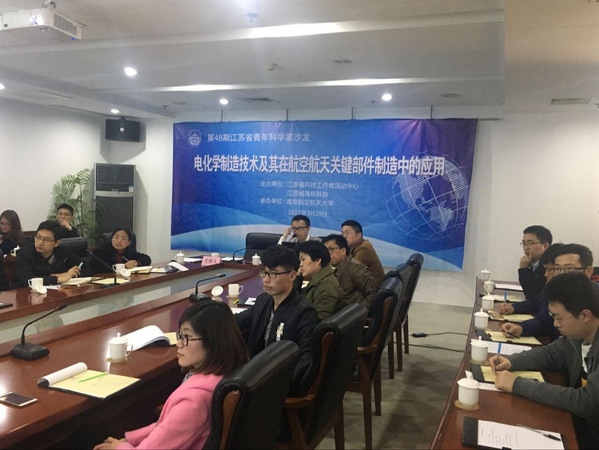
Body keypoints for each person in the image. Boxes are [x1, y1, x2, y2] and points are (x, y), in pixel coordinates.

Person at [93, 301, 248, 450]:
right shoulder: (223, 372)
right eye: (180, 335)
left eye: (187, 337)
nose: (179, 343)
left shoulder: (194, 401)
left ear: (213, 342)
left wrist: (119, 447)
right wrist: (130, 439)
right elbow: (167, 427)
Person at [491, 272, 599, 448]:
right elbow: (550, 354)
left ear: (585, 315)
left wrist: (517, 384)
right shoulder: (578, 335)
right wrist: (512, 361)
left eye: (559, 318)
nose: (555, 324)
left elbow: (587, 402)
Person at [235, 245, 318, 395]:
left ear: (292, 276)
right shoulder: (264, 301)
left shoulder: (304, 313)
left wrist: (280, 387)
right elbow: (237, 322)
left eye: (273, 274)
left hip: (277, 383)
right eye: (264, 273)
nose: (266, 280)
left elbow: (307, 359)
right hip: (255, 374)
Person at [502, 243, 595, 341]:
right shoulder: (560, 291)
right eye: (557, 269)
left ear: (588, 271)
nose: (561, 275)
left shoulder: (593, 299)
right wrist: (522, 328)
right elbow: (545, 320)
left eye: (569, 269)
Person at [13, 220, 85, 287]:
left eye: (46, 240)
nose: (40, 243)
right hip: (25, 293)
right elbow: (29, 280)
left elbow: (84, 266)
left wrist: (70, 274)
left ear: (56, 243)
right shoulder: (24, 253)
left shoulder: (62, 251)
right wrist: (58, 278)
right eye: (38, 237)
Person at [323, 234, 377, 313]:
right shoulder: (337, 268)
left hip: (352, 315)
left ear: (343, 251)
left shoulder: (355, 268)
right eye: (325, 251)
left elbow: (373, 293)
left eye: (331, 249)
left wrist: (357, 312)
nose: (327, 254)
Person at [297, 240, 345, 320]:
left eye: (303, 259)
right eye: (300, 261)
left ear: (318, 261)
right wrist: (298, 277)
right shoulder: (319, 280)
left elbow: (319, 320)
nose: (300, 264)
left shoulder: (326, 287)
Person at [341, 219, 385, 287]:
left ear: (358, 235)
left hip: (373, 289)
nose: (344, 237)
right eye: (342, 233)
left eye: (347, 233)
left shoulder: (364, 249)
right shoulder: (355, 246)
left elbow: (352, 273)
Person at [518, 225, 552, 299]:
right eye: (524, 244)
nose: (526, 248)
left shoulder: (549, 267)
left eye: (530, 243)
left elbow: (531, 295)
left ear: (545, 246)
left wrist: (524, 269)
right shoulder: (533, 264)